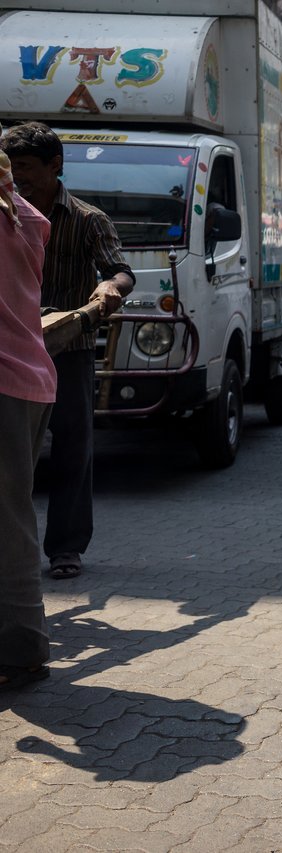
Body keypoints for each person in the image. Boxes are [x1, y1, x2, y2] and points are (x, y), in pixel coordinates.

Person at [1, 121, 135, 581]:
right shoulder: (6, 214)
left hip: (69, 349)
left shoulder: (87, 219)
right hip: (12, 349)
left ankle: (65, 548)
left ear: (55, 166)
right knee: (12, 456)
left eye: (26, 168)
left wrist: (108, 290)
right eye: (11, 168)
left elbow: (120, 271)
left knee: (73, 450)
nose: (18, 178)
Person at [0, 141, 56, 688]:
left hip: (8, 381)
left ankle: (20, 650)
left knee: (9, 517)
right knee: (12, 513)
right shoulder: (28, 215)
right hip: (28, 377)